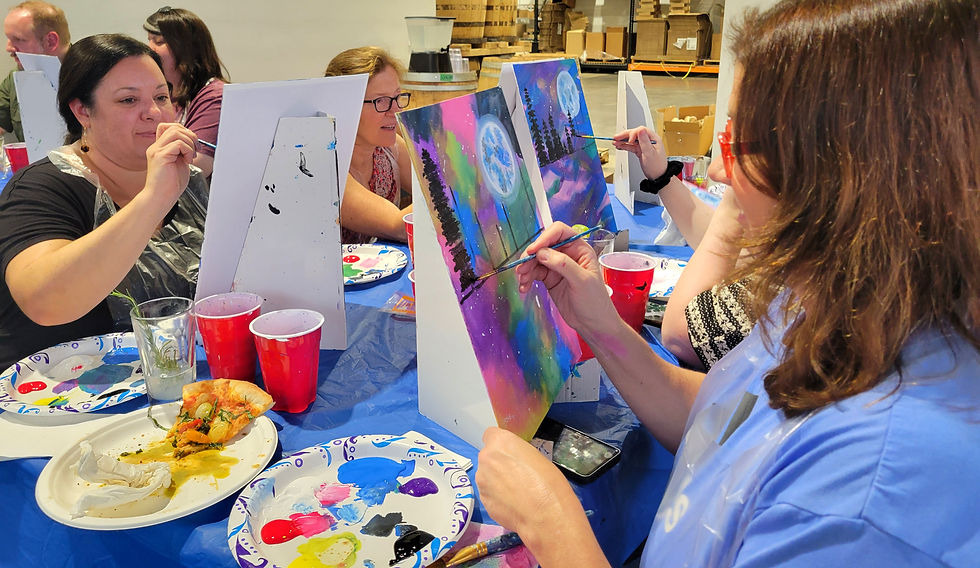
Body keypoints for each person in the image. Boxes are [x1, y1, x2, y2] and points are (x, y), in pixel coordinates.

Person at [476, 1, 980, 567]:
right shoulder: (840, 295)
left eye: (737, 147)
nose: (717, 173)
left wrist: (551, 523)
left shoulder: (869, 506)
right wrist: (600, 324)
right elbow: (733, 420)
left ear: (837, 174)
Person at [0, 33, 206, 370]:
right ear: (83, 111)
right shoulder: (41, 188)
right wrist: (153, 199)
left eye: (161, 96)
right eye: (129, 100)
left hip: (177, 373)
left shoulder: (188, 179)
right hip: (60, 388)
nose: (154, 113)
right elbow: (44, 300)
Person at [614, 126, 753, 370]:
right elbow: (737, 253)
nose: (715, 171)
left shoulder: (795, 288)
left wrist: (733, 206)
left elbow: (681, 332)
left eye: (738, 149)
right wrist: (662, 176)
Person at [324, 46, 413, 244]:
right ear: (346, 107)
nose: (395, 110)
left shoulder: (390, 150)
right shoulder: (327, 166)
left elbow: (436, 185)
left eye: (397, 97)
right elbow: (400, 227)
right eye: (381, 101)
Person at [144, 6, 227, 178]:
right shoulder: (169, 95)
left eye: (159, 42)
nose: (149, 49)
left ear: (187, 48)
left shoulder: (214, 96)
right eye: (149, 40)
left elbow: (197, 167)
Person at [0, 0, 70, 142]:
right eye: (9, 39)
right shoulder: (16, 77)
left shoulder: (93, 75)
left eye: (18, 39)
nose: (9, 48)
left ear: (50, 41)